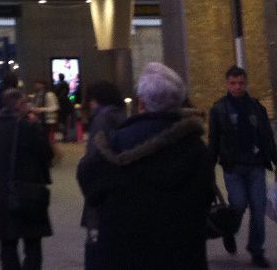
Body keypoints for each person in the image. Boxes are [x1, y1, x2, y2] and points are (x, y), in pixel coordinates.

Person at [77, 62, 214, 270]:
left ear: (141, 103)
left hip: (122, 254)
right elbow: (205, 197)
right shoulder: (195, 147)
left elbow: (90, 186)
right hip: (181, 254)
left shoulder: (114, 143)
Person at [208, 65, 277, 267]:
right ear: (227, 84)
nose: (237, 87)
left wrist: (274, 157)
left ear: (245, 83)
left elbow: (266, 137)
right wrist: (208, 167)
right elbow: (214, 141)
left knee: (258, 207)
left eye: (240, 83)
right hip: (233, 168)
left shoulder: (256, 107)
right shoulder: (219, 109)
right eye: (233, 83)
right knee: (238, 205)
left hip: (255, 165)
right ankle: (229, 229)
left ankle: (256, 250)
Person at [0, 88, 53, 270]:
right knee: (32, 243)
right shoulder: (28, 127)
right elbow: (47, 154)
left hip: (4, 192)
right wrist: (37, 126)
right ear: (20, 105)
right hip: (30, 192)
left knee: (7, 244)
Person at [76, 80, 126, 266]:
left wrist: (84, 175)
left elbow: (94, 158)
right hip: (119, 187)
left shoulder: (102, 119)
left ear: (96, 99)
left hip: (101, 189)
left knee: (100, 245)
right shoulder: (121, 115)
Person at [30, 80, 59, 146]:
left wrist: (41, 109)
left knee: (48, 140)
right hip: (39, 120)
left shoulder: (49, 95)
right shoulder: (37, 95)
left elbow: (55, 107)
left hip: (48, 119)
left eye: (38, 84)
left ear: (43, 85)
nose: (35, 86)